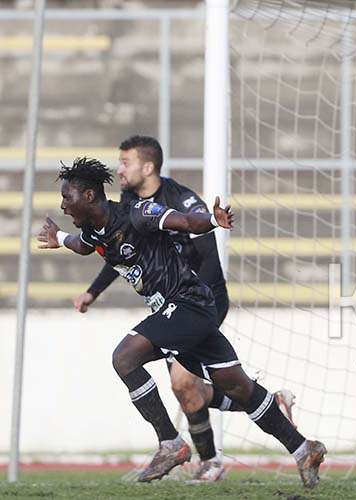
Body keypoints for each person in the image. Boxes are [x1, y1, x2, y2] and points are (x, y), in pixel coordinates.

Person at [38, 158, 325, 488]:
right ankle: (304, 448)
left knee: (125, 357)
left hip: (187, 304)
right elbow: (83, 245)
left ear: (89, 196)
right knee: (239, 388)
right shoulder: (94, 230)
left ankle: (170, 443)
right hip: (182, 312)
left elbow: (186, 221)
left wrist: (212, 222)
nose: (62, 204)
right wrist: (59, 237)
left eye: (67, 197)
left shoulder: (136, 213)